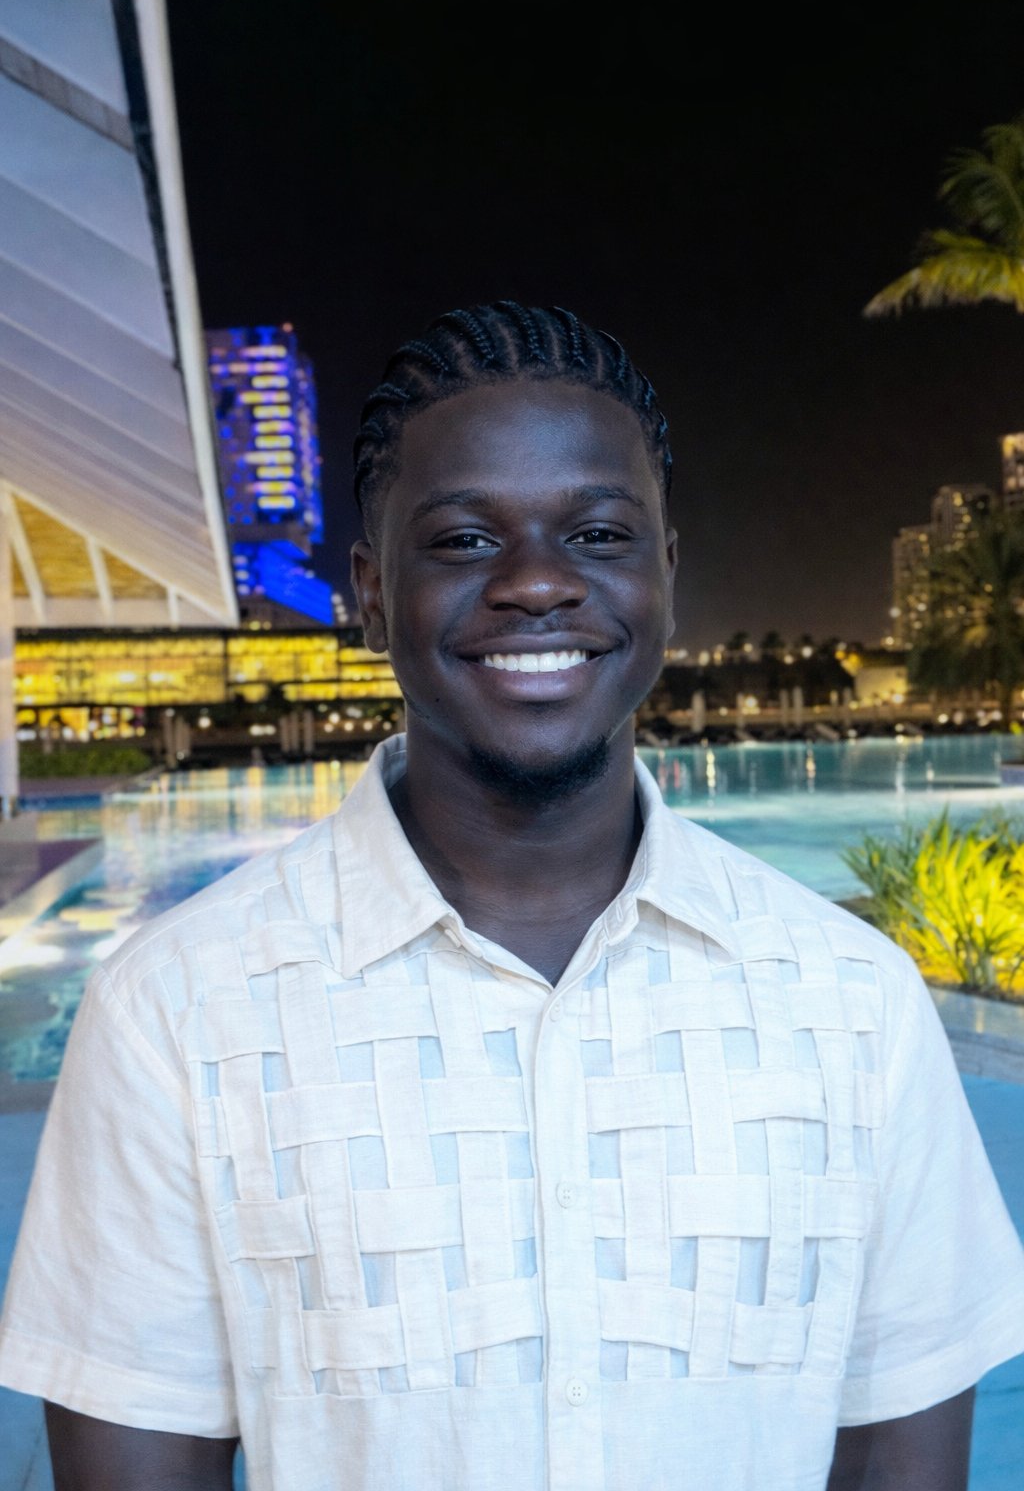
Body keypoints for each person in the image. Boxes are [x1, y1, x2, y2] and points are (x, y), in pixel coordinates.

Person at [1, 300, 1023, 1491]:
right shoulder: (174, 1013)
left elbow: (899, 1456)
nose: (537, 582)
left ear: (664, 576)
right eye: (463, 540)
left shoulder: (853, 1002)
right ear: (371, 595)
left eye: (597, 534)